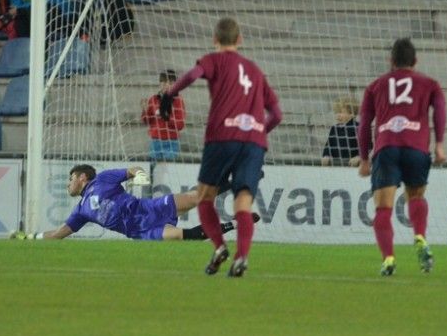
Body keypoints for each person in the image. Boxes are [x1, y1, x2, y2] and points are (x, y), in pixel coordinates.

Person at [162, 17, 281, 277]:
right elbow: (277, 114)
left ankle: (219, 248)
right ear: (240, 40)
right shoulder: (255, 70)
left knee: (205, 196)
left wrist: (170, 94)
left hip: (222, 138)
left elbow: (193, 75)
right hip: (253, 144)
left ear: (215, 40)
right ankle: (242, 256)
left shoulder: (213, 60)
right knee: (244, 202)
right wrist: (258, 133)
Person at [358, 37, 447, 276]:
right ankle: (419, 235)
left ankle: (388, 258)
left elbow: (365, 122)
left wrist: (364, 157)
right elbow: (439, 111)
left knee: (383, 207)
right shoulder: (430, 84)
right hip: (416, 148)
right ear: (415, 61)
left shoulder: (375, 86)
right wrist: (439, 145)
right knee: (416, 196)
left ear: (391, 61)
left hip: (386, 147)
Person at [15, 165, 232, 242]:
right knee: (179, 236)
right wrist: (31, 237)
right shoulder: (80, 211)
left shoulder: (103, 178)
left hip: (148, 208)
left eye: (70, 179)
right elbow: (58, 234)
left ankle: (235, 180)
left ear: (82, 177)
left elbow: (133, 169)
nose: (67, 185)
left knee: (196, 197)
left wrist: (139, 175)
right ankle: (225, 228)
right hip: (139, 230)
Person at [142, 71, 186, 161]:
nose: (167, 85)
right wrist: (144, 110)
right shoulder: (153, 99)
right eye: (164, 82)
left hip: (171, 142)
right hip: (155, 141)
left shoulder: (178, 101)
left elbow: (180, 125)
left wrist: (167, 117)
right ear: (160, 84)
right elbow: (146, 121)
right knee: (153, 169)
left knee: (169, 170)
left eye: (170, 83)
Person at [321, 96, 359, 167]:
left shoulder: (358, 127)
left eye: (340, 112)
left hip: (352, 165)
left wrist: (359, 157)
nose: (337, 115)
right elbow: (329, 145)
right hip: (336, 165)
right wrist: (326, 155)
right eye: (336, 112)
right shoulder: (334, 128)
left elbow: (366, 146)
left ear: (352, 113)